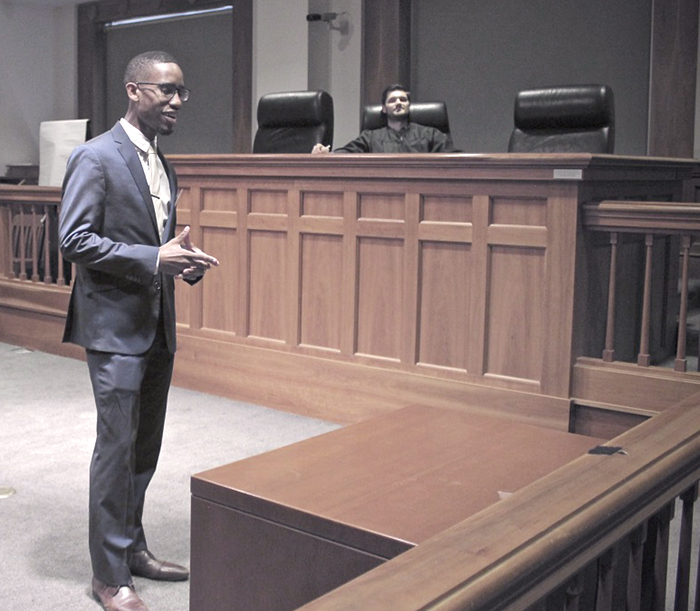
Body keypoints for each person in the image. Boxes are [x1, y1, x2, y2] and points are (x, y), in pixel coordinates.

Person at [59, 51, 219, 611]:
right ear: (134, 90)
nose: (177, 101)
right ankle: (108, 576)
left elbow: (155, 243)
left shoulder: (160, 161)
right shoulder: (95, 157)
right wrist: (154, 258)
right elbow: (74, 240)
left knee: (144, 448)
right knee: (116, 448)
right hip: (113, 329)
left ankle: (133, 549)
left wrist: (182, 261)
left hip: (157, 325)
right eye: (166, 91)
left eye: (182, 92)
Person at [311, 83, 454, 153]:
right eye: (392, 100)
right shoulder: (371, 137)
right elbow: (347, 153)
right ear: (384, 109)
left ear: (409, 105)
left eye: (403, 100)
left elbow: (456, 159)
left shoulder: (430, 134)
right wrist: (326, 152)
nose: (398, 103)